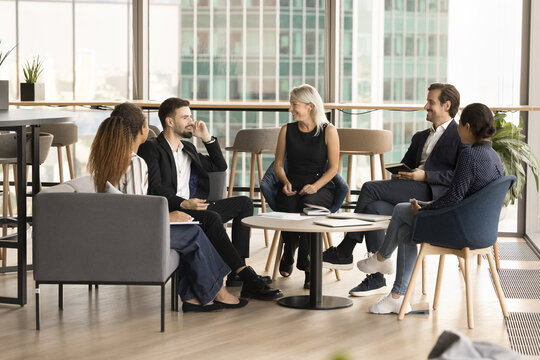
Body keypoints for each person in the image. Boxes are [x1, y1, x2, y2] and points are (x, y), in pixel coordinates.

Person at [87, 111, 247, 313]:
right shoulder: (135, 162)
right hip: (136, 233)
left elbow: (128, 209)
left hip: (117, 230)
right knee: (193, 233)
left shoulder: (106, 160)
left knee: (192, 230)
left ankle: (194, 299)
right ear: (143, 130)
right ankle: (216, 293)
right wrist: (168, 217)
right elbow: (137, 210)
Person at [356, 102, 503, 314]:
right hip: (480, 231)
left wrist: (424, 210)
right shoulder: (493, 157)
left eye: (460, 123)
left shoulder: (470, 156)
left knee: (401, 210)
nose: (458, 127)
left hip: (461, 231)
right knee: (406, 230)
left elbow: (453, 197)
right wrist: (427, 206)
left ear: (468, 127)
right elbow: (461, 199)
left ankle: (381, 258)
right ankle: (397, 296)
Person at [322, 83, 467, 297]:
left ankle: (346, 249)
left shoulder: (459, 136)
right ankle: (377, 277)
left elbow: (459, 175)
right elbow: (406, 164)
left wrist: (425, 175)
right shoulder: (420, 137)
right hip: (411, 187)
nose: (425, 105)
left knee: (369, 188)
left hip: (431, 195)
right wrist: (400, 174)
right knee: (374, 207)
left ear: (447, 105)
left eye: (431, 102)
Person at [138, 98, 282, 300]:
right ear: (170, 122)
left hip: (195, 206)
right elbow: (154, 188)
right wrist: (182, 202)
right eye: (185, 117)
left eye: (191, 116)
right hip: (175, 210)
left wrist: (206, 138)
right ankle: (248, 276)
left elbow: (219, 165)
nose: (191, 120)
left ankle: (236, 274)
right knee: (212, 217)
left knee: (244, 203)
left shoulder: (187, 148)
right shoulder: (152, 148)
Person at [273, 84, 340, 289]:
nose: (290, 109)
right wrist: (285, 182)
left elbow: (334, 168)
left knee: (309, 206)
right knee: (289, 205)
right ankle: (290, 251)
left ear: (310, 106)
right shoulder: (287, 130)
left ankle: (307, 263)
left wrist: (315, 186)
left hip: (320, 186)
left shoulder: (329, 130)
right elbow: (277, 165)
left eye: (294, 104)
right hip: (292, 183)